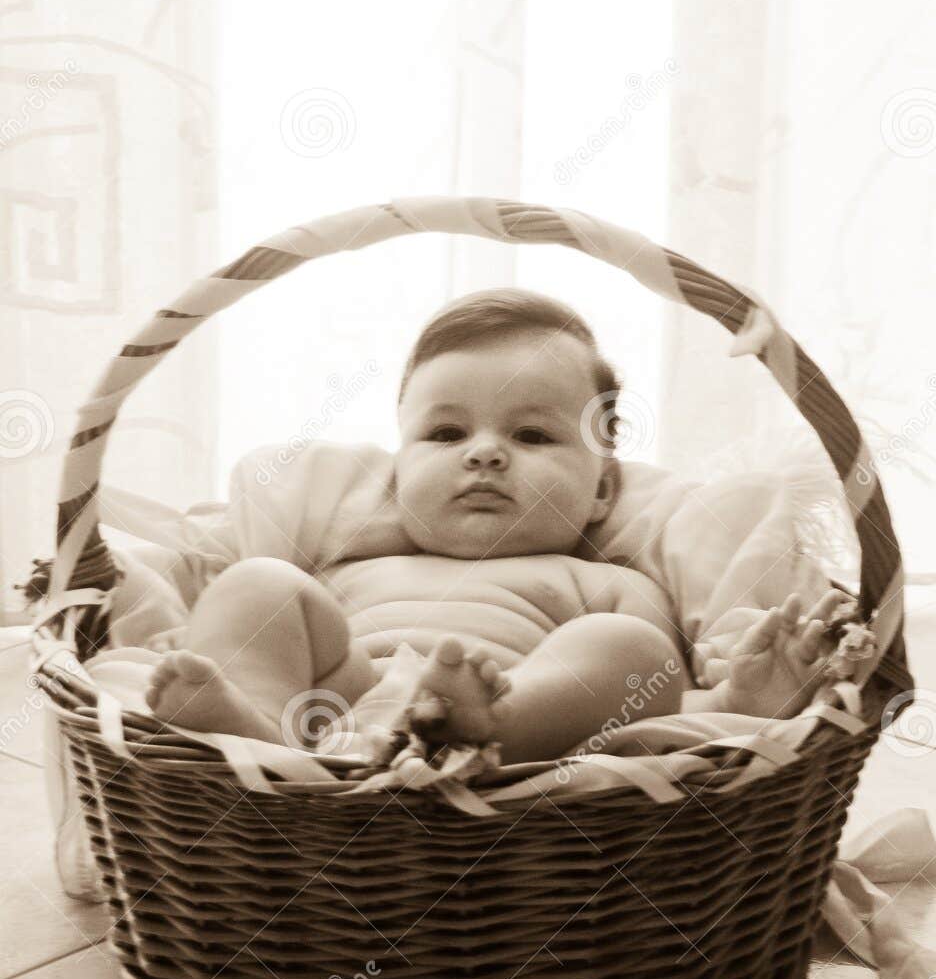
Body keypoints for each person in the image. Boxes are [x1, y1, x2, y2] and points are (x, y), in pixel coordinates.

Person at [145, 289, 841, 764]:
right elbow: (282, 628)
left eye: (533, 435)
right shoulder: (350, 558)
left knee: (629, 646)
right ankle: (254, 737)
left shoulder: (601, 581)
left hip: (522, 729)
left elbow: (652, 699)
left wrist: (733, 698)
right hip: (341, 708)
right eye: (446, 433)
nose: (484, 452)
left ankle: (482, 726)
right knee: (258, 584)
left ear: (602, 489)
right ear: (397, 469)